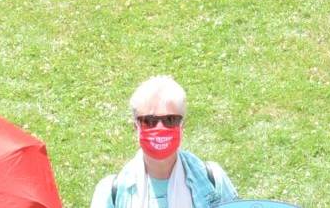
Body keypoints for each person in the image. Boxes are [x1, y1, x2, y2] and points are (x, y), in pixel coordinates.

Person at [91, 76, 239, 208]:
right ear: (136, 127)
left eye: (170, 120)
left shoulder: (213, 180)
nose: (160, 127)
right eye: (149, 121)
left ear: (182, 126)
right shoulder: (111, 193)